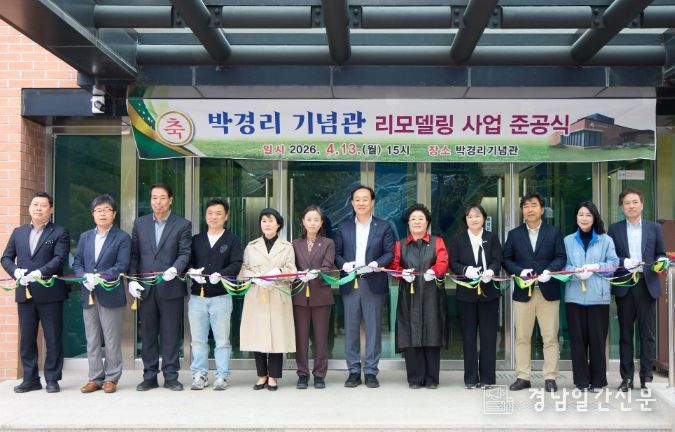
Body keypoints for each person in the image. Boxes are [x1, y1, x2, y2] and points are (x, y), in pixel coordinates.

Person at [1, 191, 69, 393]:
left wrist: (39, 272)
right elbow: (6, 258)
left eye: (43, 205)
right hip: (25, 293)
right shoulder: (18, 232)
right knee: (27, 338)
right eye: (35, 205)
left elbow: (59, 259)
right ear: (29, 208)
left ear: (51, 209)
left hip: (50, 293)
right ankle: (30, 379)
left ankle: (52, 379)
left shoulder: (59, 232)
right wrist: (15, 271)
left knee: (53, 338)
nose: (39, 208)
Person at [128, 183, 192, 391]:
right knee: (147, 334)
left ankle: (171, 376)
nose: (158, 202)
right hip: (145, 288)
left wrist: (175, 269)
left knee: (171, 334)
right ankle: (149, 376)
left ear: (170, 200)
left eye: (162, 197)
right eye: (154, 197)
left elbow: (185, 253)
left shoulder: (182, 224)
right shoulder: (140, 223)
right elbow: (134, 254)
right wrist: (132, 280)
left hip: (171, 287)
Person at [503, 192, 566, 392]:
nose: (530, 209)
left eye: (534, 205)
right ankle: (523, 376)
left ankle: (550, 377)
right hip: (524, 293)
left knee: (550, 337)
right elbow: (506, 259)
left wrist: (549, 271)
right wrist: (519, 271)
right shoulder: (514, 234)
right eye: (526, 206)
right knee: (522, 336)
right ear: (522, 210)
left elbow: (561, 257)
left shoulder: (553, 232)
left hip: (548, 292)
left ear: (542, 209)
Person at [335, 185, 395, 388]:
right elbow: (336, 253)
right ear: (352, 203)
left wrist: (377, 263)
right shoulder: (343, 227)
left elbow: (389, 252)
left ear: (372, 202)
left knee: (373, 329)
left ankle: (370, 371)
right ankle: (353, 371)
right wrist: (344, 264)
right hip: (350, 282)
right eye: (357, 199)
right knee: (350, 328)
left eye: (365, 199)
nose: (361, 203)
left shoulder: (383, 226)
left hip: (373, 282)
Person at [608, 188, 668, 391]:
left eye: (635, 202)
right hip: (625, 284)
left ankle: (646, 376)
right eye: (627, 203)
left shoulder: (654, 228)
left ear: (642, 205)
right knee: (625, 334)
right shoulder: (614, 229)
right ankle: (626, 378)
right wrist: (623, 261)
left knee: (647, 333)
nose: (631, 206)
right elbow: (611, 257)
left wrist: (661, 261)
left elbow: (661, 253)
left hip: (647, 284)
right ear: (621, 207)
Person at [72, 194, 131, 394]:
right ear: (93, 214)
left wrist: (101, 276)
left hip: (110, 292)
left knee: (112, 338)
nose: (102, 214)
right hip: (88, 293)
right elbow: (77, 262)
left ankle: (112, 378)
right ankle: (95, 378)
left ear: (114, 214)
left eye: (106, 210)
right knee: (92, 338)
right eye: (98, 210)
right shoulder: (85, 237)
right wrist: (83, 276)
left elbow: (122, 264)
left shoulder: (122, 237)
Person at [186, 198, 243, 391]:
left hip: (221, 297)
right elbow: (187, 262)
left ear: (226, 216)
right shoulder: (196, 240)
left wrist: (222, 274)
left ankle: (221, 375)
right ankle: (199, 374)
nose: (214, 217)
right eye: (210, 213)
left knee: (222, 340)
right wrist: (192, 272)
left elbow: (237, 263)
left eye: (218, 213)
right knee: (198, 340)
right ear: (205, 216)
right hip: (197, 297)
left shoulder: (232, 240)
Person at [390, 203, 448, 389]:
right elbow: (393, 266)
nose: (417, 222)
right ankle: (415, 378)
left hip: (432, 295)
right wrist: (401, 273)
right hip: (409, 295)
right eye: (413, 219)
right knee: (410, 333)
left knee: (432, 332)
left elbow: (443, 261)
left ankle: (431, 378)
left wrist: (435, 270)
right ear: (408, 222)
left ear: (427, 222)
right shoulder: (400, 244)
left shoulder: (437, 241)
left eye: (421, 218)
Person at [238, 208, 297, 391]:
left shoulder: (287, 246)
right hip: (257, 294)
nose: (267, 224)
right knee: (258, 336)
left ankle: (273, 377)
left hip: (278, 294)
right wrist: (253, 277)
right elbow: (242, 269)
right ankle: (261, 375)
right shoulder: (251, 246)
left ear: (278, 224)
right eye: (264, 221)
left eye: (271, 220)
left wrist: (279, 272)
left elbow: (292, 271)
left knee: (277, 337)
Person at [563, 201, 619, 392]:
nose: (584, 218)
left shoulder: (606, 240)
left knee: (597, 340)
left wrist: (596, 267)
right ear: (576, 217)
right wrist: (574, 271)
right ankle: (581, 381)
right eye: (581, 214)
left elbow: (613, 264)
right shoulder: (568, 240)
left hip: (598, 298)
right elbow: (563, 265)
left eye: (588, 215)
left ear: (594, 218)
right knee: (577, 341)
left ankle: (598, 381)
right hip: (574, 296)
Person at [449, 204, 502, 389]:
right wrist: (465, 270)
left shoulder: (491, 237)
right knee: (468, 336)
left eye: (477, 216)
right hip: (466, 295)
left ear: (484, 218)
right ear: (466, 220)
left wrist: (491, 270)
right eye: (470, 216)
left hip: (489, 294)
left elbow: (497, 259)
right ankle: (471, 378)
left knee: (488, 337)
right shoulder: (458, 239)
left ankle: (487, 378)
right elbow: (453, 262)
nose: (474, 219)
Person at [292, 205, 336, 389]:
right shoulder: (295, 244)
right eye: (309, 219)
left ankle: (319, 375)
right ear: (303, 221)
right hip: (300, 296)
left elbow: (328, 266)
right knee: (301, 338)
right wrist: (298, 274)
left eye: (316, 219)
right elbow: (291, 266)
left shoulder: (328, 243)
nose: (312, 223)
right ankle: (302, 374)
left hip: (321, 295)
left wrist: (315, 272)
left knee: (320, 338)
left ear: (321, 222)